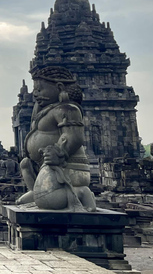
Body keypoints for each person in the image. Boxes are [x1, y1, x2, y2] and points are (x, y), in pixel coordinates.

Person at [15, 66, 96, 212]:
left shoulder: (68, 109)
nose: (35, 94)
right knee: (25, 164)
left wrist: (59, 152)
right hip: (43, 165)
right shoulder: (46, 110)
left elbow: (74, 137)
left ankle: (82, 193)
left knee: (47, 201)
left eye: (40, 90)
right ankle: (36, 191)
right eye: (35, 90)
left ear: (59, 87)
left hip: (66, 166)